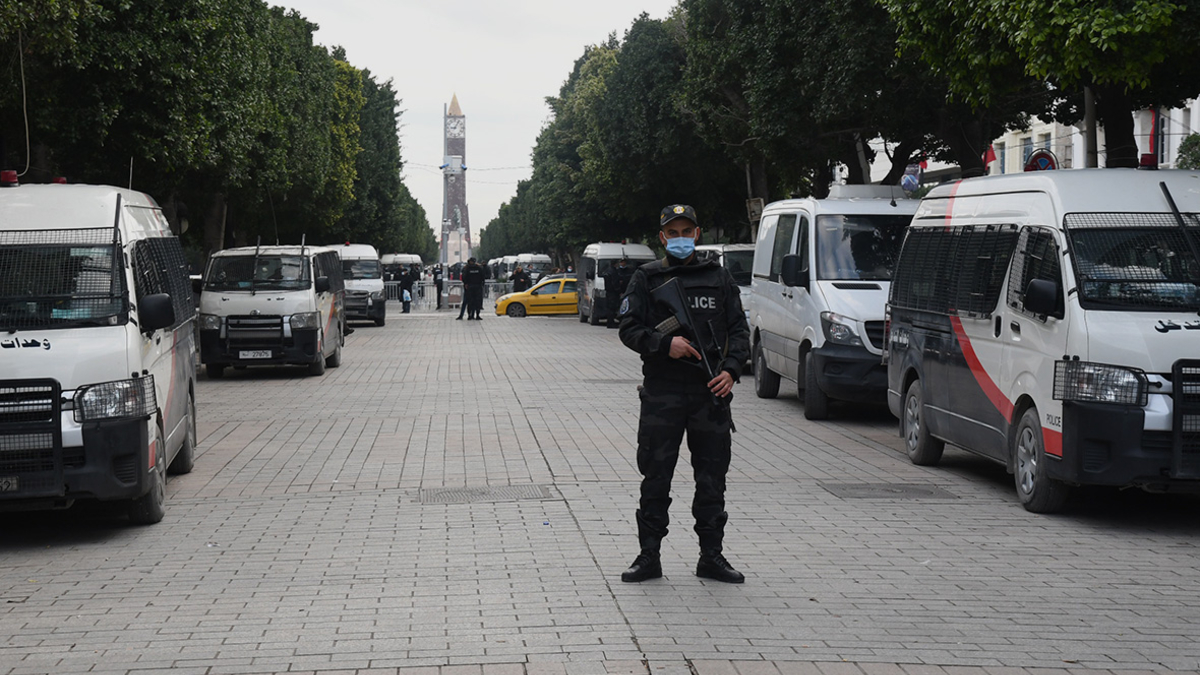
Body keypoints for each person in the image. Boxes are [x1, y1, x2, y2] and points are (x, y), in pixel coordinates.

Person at [616, 204, 750, 584]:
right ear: (662, 237)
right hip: (664, 394)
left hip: (710, 393)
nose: (678, 238)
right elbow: (628, 328)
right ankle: (649, 556)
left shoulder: (718, 277)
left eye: (685, 231)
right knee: (656, 476)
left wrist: (731, 370)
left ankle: (711, 556)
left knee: (712, 479)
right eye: (671, 232)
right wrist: (663, 343)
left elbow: (739, 330)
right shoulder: (647, 278)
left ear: (697, 234)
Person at [603, 257, 635, 329]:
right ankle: (611, 323)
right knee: (612, 308)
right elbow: (615, 283)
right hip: (613, 293)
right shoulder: (613, 271)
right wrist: (619, 291)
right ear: (615, 264)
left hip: (608, 292)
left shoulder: (608, 270)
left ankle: (610, 322)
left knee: (610, 308)